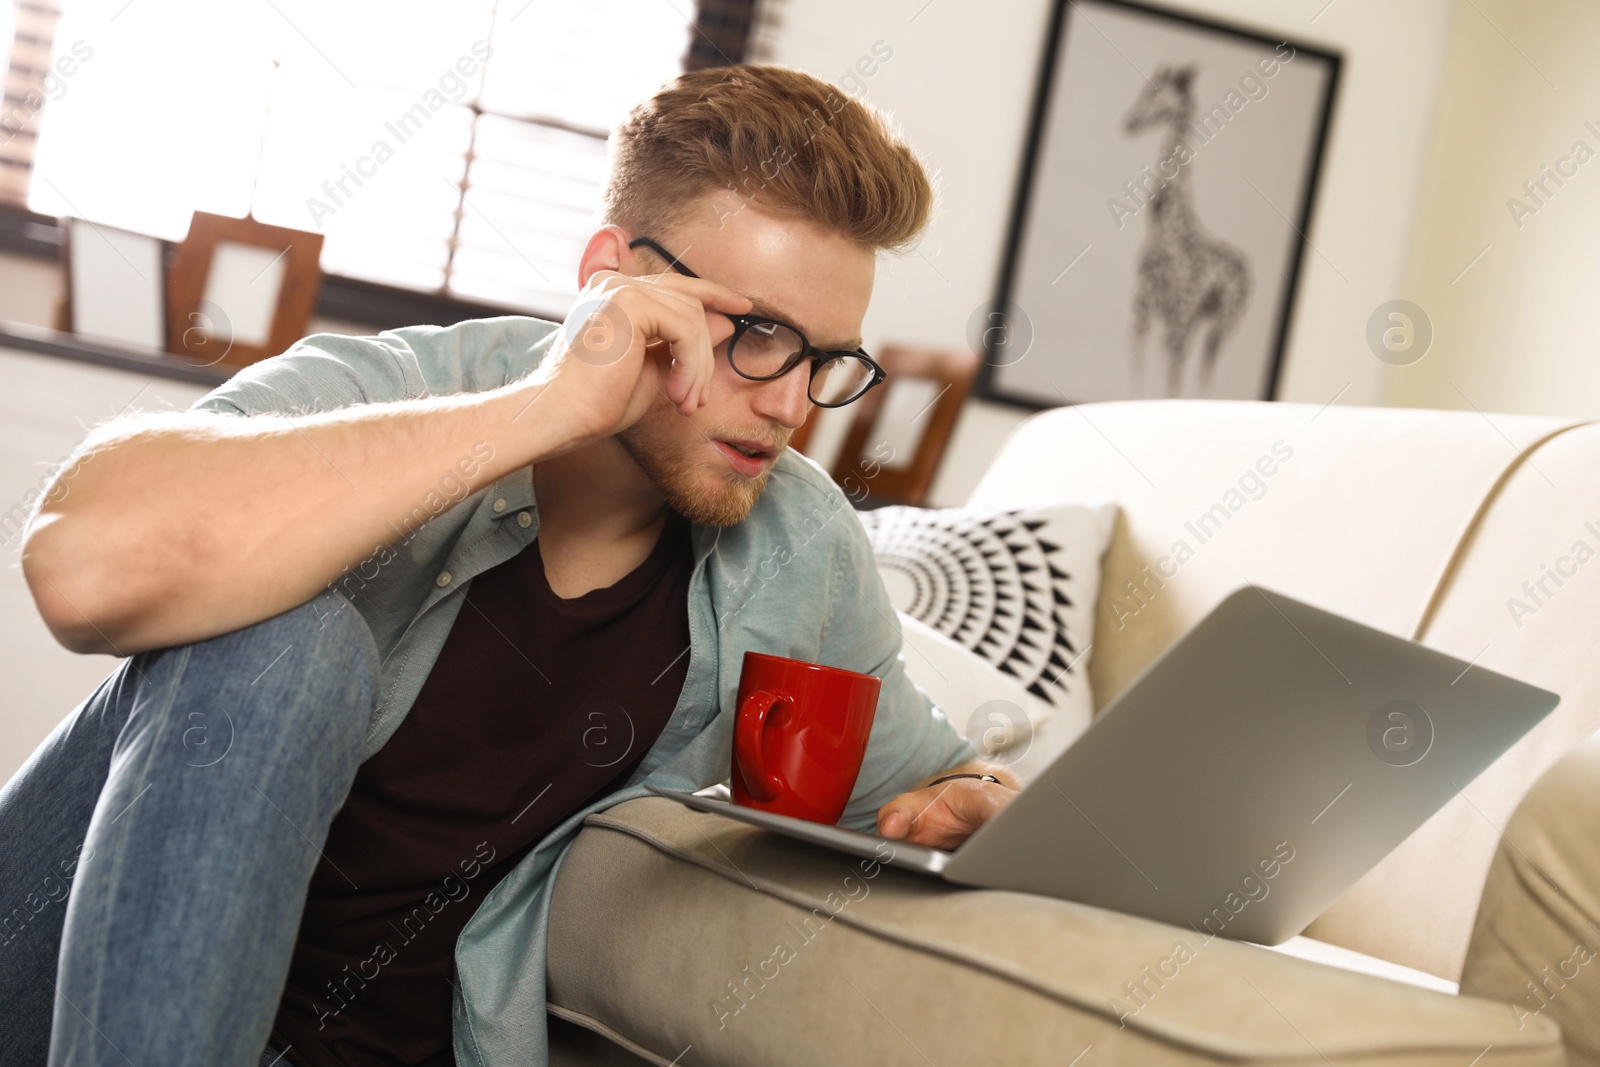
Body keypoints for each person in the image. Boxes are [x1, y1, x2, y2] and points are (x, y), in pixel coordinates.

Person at [1, 63, 1020, 1067]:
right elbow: (80, 569)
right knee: (287, 643)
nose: (790, 406)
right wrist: (547, 407)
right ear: (608, 276)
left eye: (822, 358)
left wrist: (979, 789)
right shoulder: (400, 385)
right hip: (48, 992)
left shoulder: (794, 543)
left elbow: (924, 772)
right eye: (755, 333)